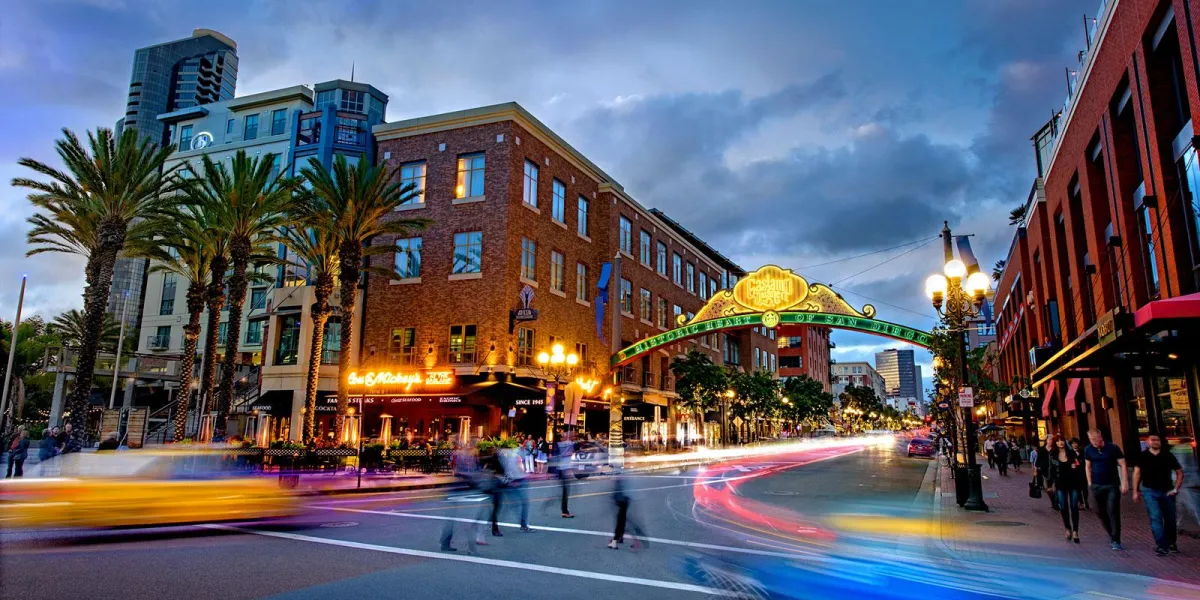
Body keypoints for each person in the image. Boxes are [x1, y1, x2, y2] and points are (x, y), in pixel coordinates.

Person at [1132, 434, 1184, 556]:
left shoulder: (1168, 456)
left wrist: (1176, 489)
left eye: (1157, 440)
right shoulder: (1142, 456)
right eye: (1152, 440)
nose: (1155, 442)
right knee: (1155, 517)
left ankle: (1171, 543)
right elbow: (1136, 473)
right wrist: (1135, 491)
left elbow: (1179, 472)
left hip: (1167, 490)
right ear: (1147, 442)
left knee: (1170, 518)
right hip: (1149, 490)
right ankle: (1161, 545)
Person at [1084, 429, 1128, 551]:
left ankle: (1116, 539)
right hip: (1096, 485)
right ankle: (1111, 533)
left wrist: (1124, 483)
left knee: (1113, 511)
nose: (1092, 442)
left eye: (1094, 439)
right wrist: (1089, 482)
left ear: (1100, 437)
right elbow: (1087, 466)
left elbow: (1123, 464)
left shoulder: (1112, 448)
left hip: (1112, 485)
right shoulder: (1088, 449)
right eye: (1090, 439)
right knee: (1098, 511)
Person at [1046, 435, 1083, 543]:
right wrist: (1049, 485)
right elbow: (1051, 471)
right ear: (1055, 443)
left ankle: (1076, 530)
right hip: (1060, 484)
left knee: (1074, 507)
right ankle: (1067, 528)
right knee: (1064, 508)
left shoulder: (1072, 454)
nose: (1061, 442)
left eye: (1062, 440)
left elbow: (1079, 467)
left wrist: (1076, 468)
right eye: (1058, 441)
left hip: (1073, 483)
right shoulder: (1053, 455)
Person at [607, 469, 647, 550]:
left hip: (622, 500)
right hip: (625, 499)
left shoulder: (621, 474)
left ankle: (615, 542)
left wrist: (614, 498)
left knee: (621, 521)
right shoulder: (625, 472)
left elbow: (619, 488)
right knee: (623, 520)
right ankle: (620, 538)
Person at [499, 446, 534, 533]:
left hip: (519, 481)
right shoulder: (510, 456)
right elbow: (506, 469)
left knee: (521, 503)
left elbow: (519, 467)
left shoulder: (518, 453)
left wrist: (525, 475)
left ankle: (524, 525)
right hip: (513, 482)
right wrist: (510, 480)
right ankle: (493, 522)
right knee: (512, 505)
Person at [1035, 437, 1060, 511]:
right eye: (1049, 440)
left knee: (1057, 486)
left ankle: (1056, 501)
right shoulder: (1041, 449)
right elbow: (1038, 460)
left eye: (1052, 440)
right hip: (1045, 471)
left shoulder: (1055, 450)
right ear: (1046, 441)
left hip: (1055, 470)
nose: (1051, 441)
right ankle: (1053, 501)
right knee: (1048, 488)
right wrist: (1036, 470)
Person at [1069, 438, 1090, 510]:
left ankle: (1086, 503)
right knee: (1077, 489)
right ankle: (1081, 503)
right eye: (1073, 443)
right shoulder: (1069, 452)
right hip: (1074, 473)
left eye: (1076, 443)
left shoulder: (1082, 451)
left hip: (1083, 472)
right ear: (1071, 445)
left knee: (1085, 489)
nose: (1074, 445)